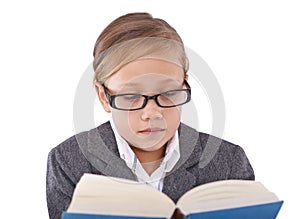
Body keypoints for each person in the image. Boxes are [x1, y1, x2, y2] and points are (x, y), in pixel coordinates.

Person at [46, 12, 254, 219]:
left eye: (169, 93)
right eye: (130, 96)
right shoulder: (68, 161)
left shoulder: (229, 161)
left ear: (184, 83)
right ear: (103, 96)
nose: (152, 113)